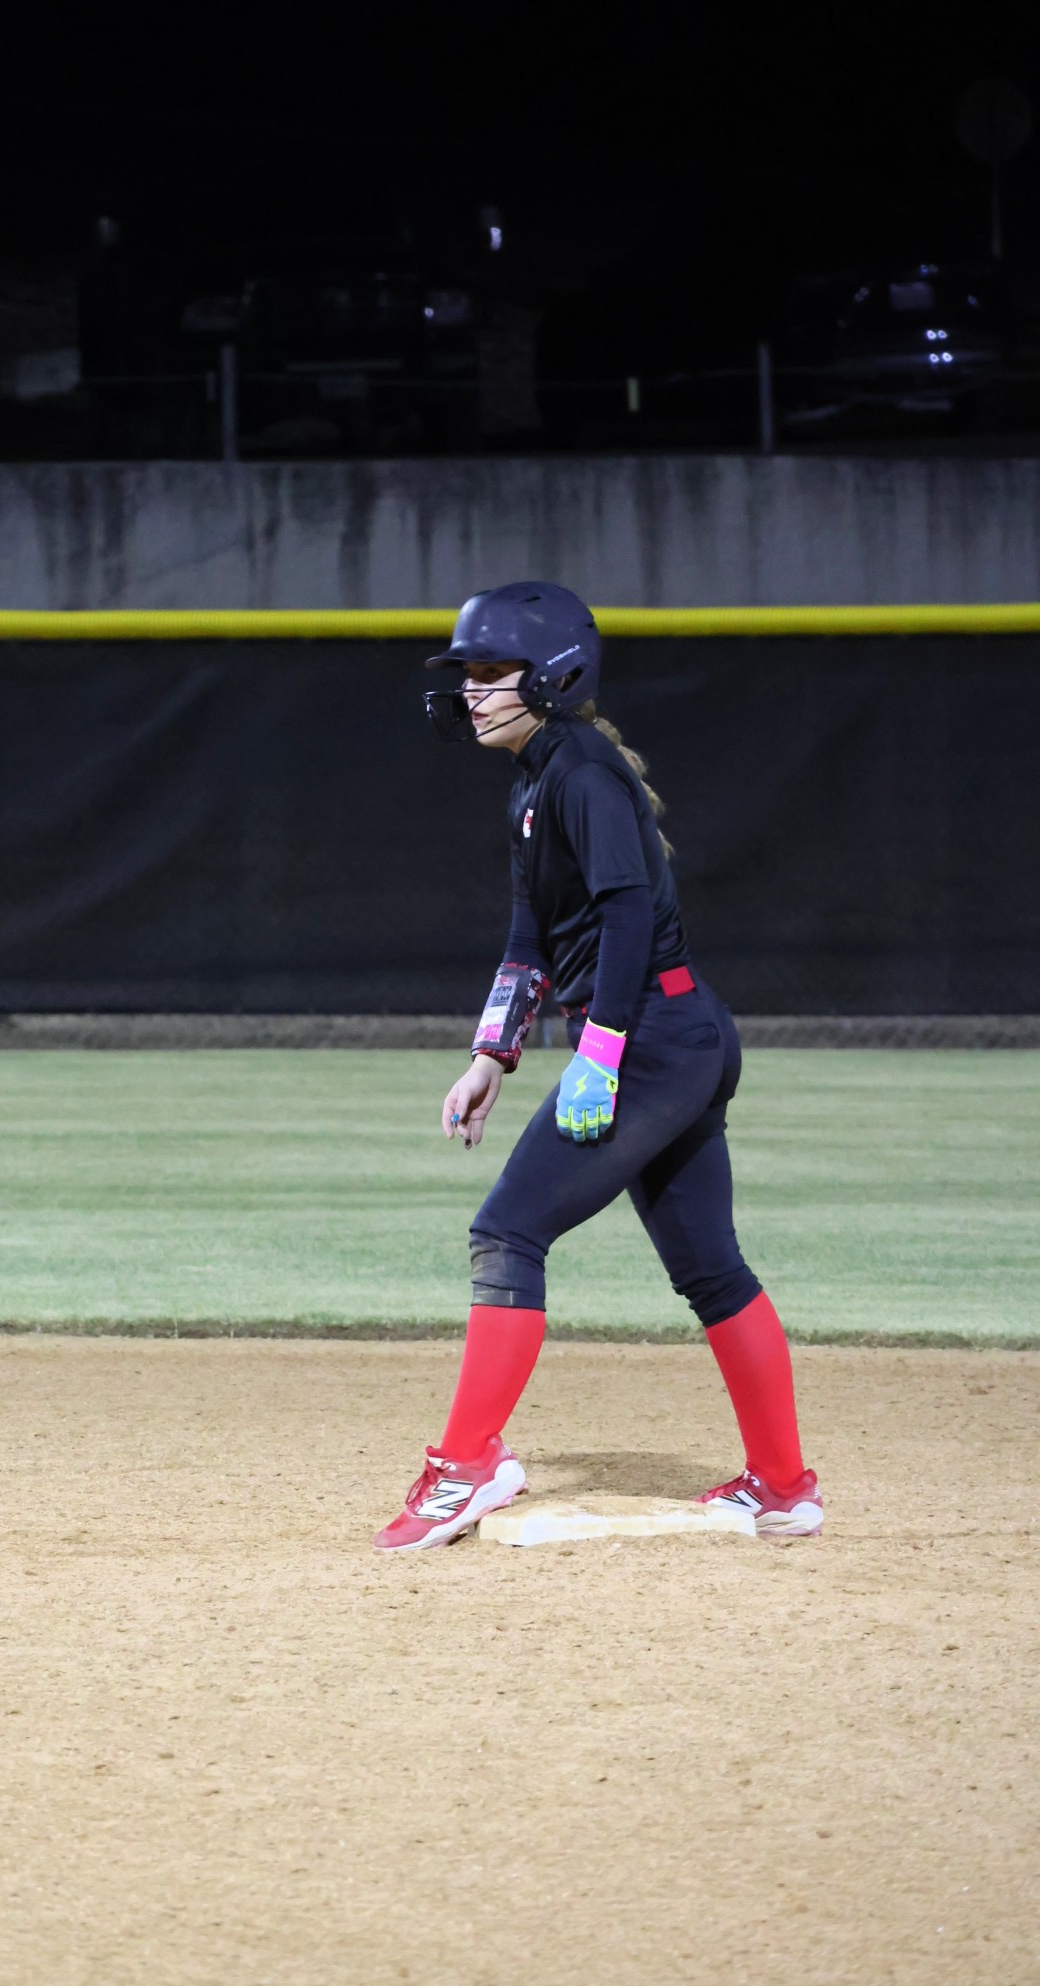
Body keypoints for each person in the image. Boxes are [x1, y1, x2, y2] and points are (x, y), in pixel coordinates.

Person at [373, 581, 822, 1552]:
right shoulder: (537, 781)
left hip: (654, 1038)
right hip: (673, 1036)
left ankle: (466, 1466)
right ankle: (783, 1488)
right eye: (469, 675)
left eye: (492, 672)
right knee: (710, 1269)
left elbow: (625, 916)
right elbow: (528, 936)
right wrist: (493, 1054)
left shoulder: (580, 774)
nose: (475, 692)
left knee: (506, 1231)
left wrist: (601, 1053)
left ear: (551, 675)